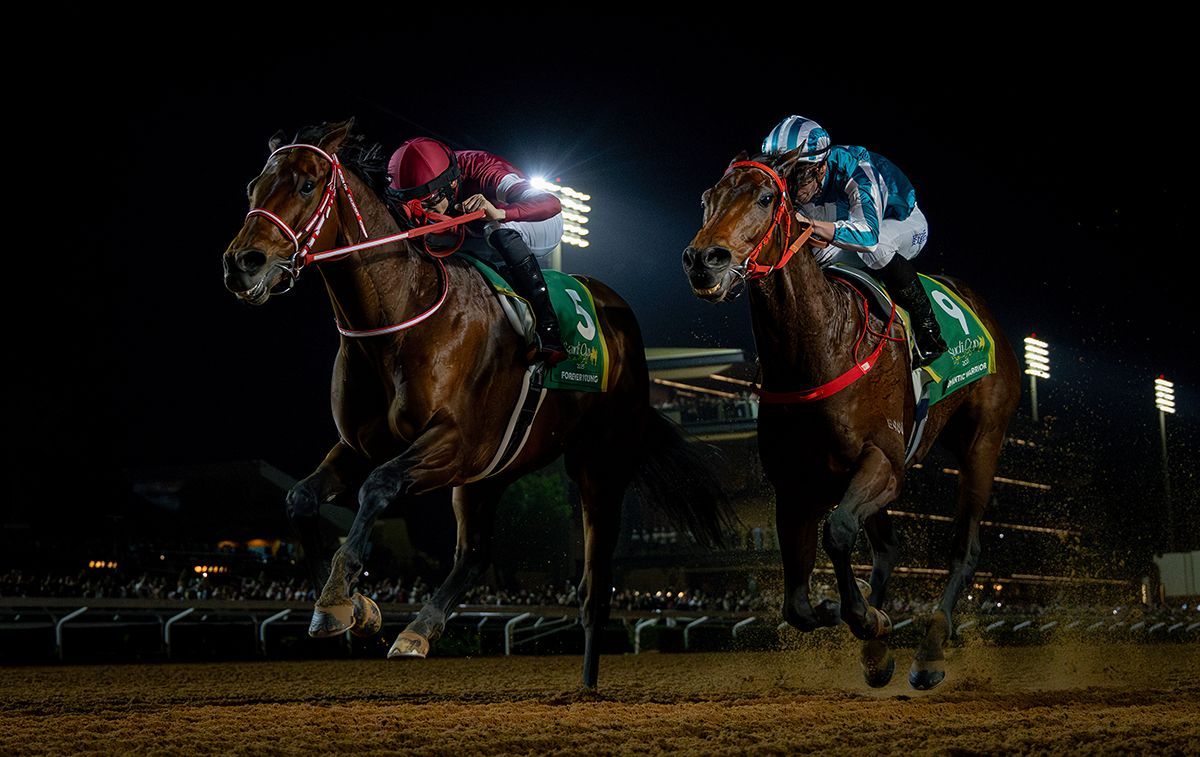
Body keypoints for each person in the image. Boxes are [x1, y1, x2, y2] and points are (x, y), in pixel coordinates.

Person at [761, 116, 947, 366]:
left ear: (821, 167)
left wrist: (813, 225)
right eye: (785, 175)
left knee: (876, 250)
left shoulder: (854, 168)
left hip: (900, 221)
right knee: (807, 257)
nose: (792, 188)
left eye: (799, 176)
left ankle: (929, 331)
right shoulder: (808, 179)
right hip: (845, 218)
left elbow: (868, 237)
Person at [386, 137, 566, 364]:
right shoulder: (428, 179)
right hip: (481, 234)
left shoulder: (484, 169)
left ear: (452, 185)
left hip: (540, 222)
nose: (424, 211)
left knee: (495, 227)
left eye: (429, 202)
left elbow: (552, 203)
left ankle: (549, 331)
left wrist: (500, 212)